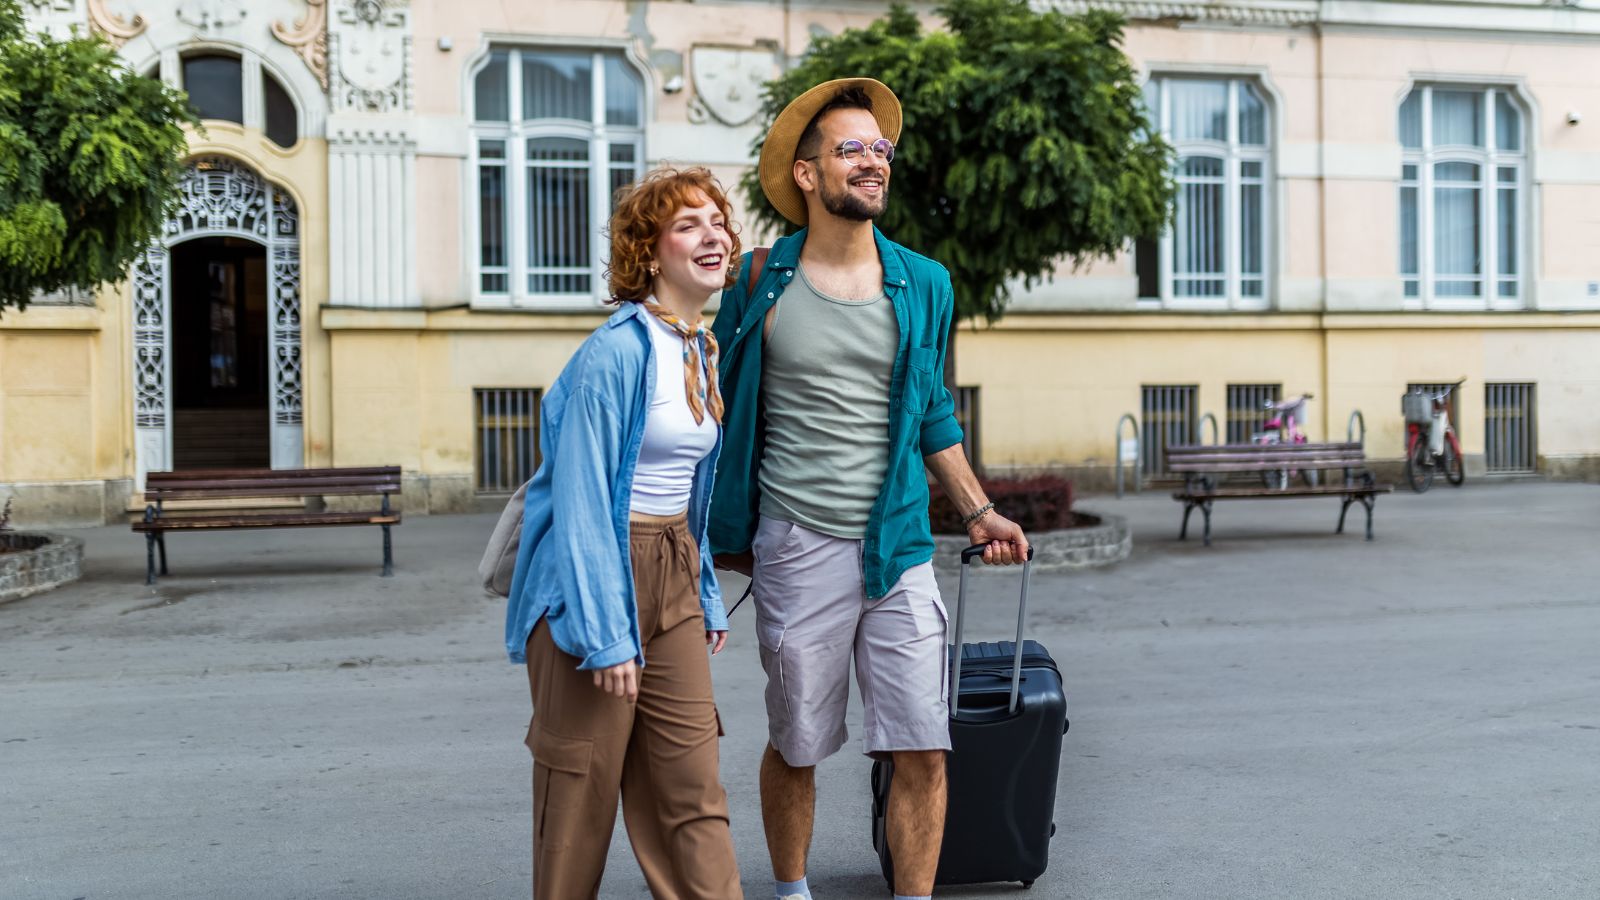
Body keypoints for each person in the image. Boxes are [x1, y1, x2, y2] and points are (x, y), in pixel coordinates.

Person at [709, 79, 1030, 900]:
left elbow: (932, 409)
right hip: (796, 540)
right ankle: (792, 892)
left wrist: (979, 510)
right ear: (807, 174)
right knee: (798, 743)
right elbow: (711, 401)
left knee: (923, 746)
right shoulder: (757, 281)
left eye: (881, 149)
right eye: (851, 148)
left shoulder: (924, 282)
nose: (873, 161)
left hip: (900, 546)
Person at [504, 167, 744, 899]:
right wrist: (607, 635)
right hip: (592, 582)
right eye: (688, 225)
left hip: (671, 568)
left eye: (718, 221)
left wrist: (703, 592)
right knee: (579, 795)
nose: (712, 235)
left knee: (693, 788)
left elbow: (689, 496)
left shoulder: (698, 349)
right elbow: (582, 504)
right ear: (649, 252)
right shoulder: (614, 355)